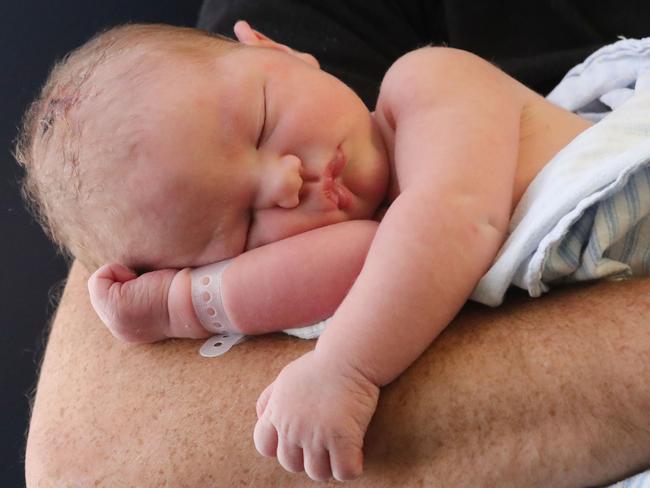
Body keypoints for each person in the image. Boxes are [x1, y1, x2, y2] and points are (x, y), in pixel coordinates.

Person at [23, 1, 650, 486]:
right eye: (243, 225)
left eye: (263, 123)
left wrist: (343, 372)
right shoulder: (374, 247)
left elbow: (450, 225)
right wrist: (180, 306)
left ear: (282, 50)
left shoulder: (428, 84)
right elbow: (357, 267)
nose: (284, 179)